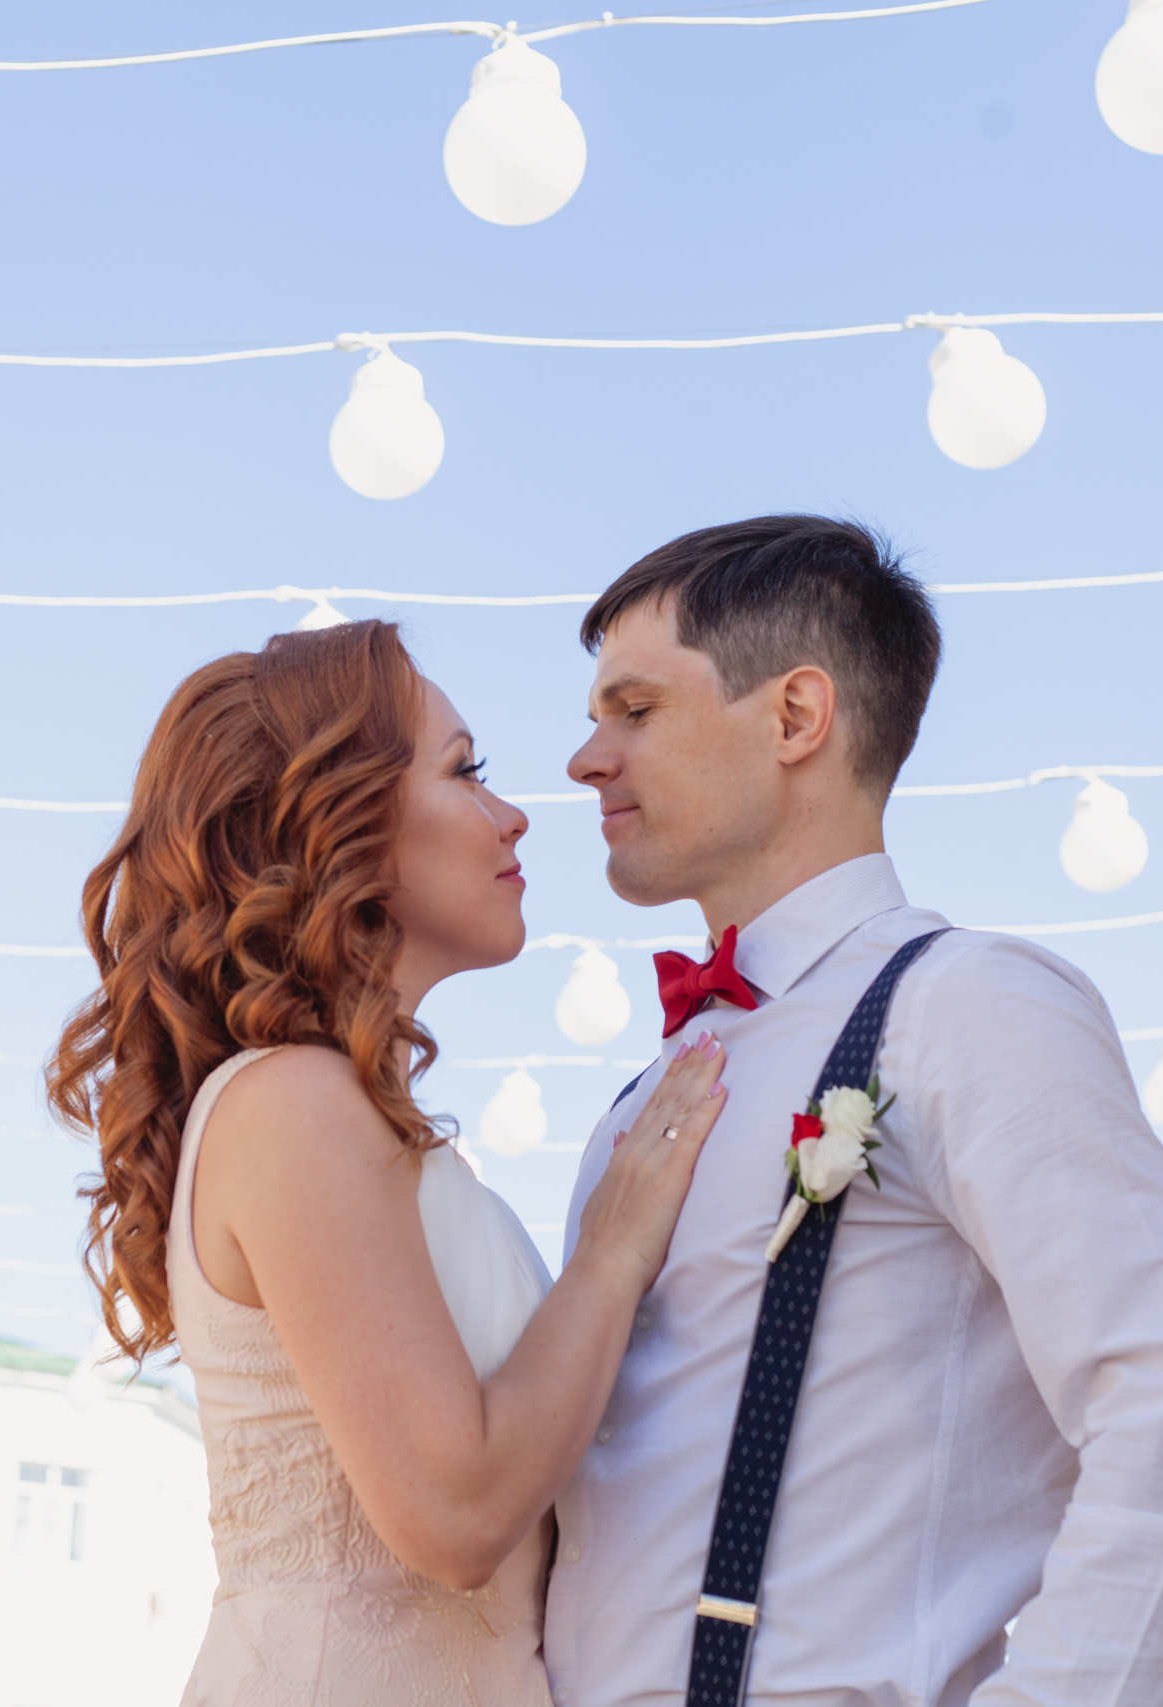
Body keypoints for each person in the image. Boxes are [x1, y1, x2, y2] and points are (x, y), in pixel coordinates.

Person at [548, 515, 1163, 1706]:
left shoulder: (966, 1007)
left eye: (633, 712)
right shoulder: (639, 1099)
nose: (586, 759)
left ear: (795, 717)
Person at [47, 620, 733, 1707]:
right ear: (338, 823)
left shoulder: (341, 1116)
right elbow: (455, 1516)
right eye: (467, 772)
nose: (512, 814)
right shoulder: (291, 1103)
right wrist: (612, 1254)